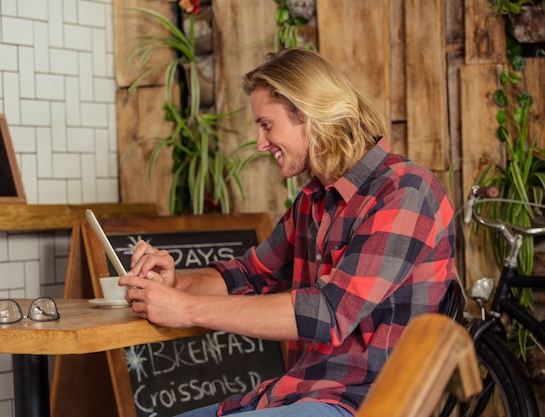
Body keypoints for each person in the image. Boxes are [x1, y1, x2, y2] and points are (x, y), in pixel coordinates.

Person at [119, 47, 456, 417]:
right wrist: (174, 283)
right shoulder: (314, 200)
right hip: (300, 394)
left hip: (366, 404)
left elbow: (327, 314)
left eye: (267, 124)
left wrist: (187, 309)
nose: (261, 143)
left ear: (308, 113)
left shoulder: (405, 191)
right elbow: (250, 274)